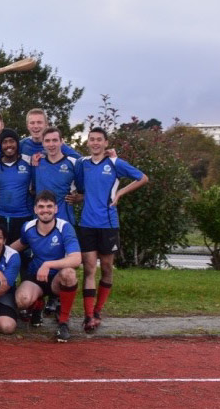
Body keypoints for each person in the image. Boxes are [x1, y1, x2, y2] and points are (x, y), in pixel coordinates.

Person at [74, 127, 148, 334]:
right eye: (92, 139)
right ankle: (88, 316)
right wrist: (79, 197)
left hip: (108, 224)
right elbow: (82, 190)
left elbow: (143, 178)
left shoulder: (114, 163)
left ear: (106, 143)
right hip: (87, 224)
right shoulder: (83, 164)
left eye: (99, 140)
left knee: (106, 268)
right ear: (87, 142)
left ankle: (98, 311)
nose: (95, 143)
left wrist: (121, 193)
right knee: (89, 269)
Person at [9, 190, 82, 342]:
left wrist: (48, 264)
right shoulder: (28, 227)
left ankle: (63, 322)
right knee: (21, 300)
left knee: (69, 273)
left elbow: (76, 259)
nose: (45, 210)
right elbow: (18, 246)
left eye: (49, 206)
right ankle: (38, 305)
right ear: (35, 209)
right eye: (41, 207)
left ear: (56, 209)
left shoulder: (65, 227)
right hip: (36, 276)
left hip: (57, 278)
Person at [0, 128, 34, 246]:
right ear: (1, 145)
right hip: (0, 217)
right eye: (5, 142)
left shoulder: (28, 161)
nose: (9, 145)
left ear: (17, 143)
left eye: (12, 141)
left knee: (23, 255)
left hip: (24, 216)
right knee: (0, 252)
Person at [32, 127, 81, 223]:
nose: (51, 144)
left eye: (55, 140)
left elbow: (84, 189)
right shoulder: (36, 163)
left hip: (64, 219)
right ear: (43, 143)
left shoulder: (73, 163)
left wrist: (80, 197)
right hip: (40, 219)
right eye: (47, 141)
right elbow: (32, 188)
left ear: (61, 141)